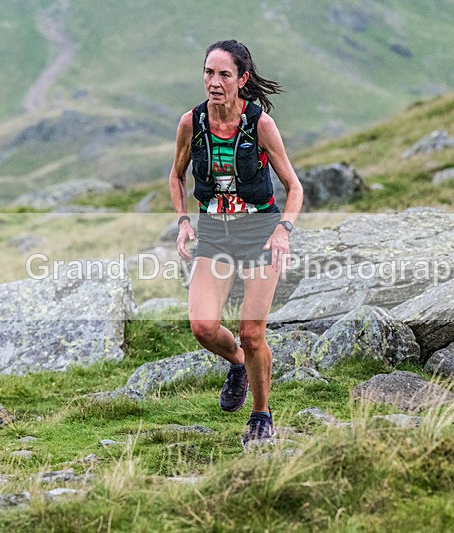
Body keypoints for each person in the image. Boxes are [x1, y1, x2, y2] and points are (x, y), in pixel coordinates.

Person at [168, 39, 304, 445]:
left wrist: (284, 230)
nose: (214, 81)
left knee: (252, 331)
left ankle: (261, 416)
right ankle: (239, 365)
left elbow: (294, 187)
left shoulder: (259, 124)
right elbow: (176, 176)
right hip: (214, 232)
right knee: (203, 327)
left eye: (224, 74)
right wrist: (182, 222)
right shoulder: (190, 123)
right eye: (209, 72)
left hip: (259, 230)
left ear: (242, 80)